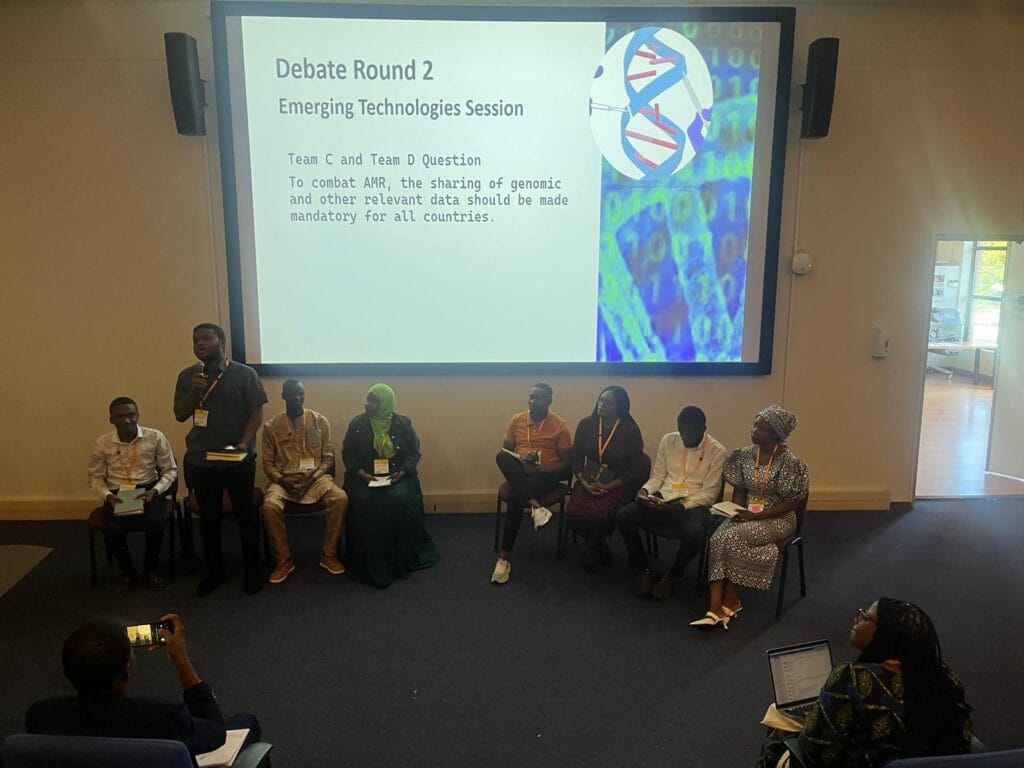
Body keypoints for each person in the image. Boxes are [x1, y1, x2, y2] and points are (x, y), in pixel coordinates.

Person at [757, 598, 972, 767]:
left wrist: (809, 722)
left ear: (884, 634)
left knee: (779, 729)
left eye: (865, 617)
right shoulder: (946, 680)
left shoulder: (853, 679)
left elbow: (815, 753)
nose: (857, 620)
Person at [26, 615, 261, 759]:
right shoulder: (163, 718)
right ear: (126, 671)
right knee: (246, 720)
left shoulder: (41, 716)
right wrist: (181, 659)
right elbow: (216, 733)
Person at [691, 404, 809, 629]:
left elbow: (790, 504)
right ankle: (717, 605)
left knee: (730, 538)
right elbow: (741, 489)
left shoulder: (789, 462)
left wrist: (755, 516)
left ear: (775, 434)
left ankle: (729, 598)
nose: (754, 431)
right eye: (754, 425)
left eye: (761, 429)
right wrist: (736, 511)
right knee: (717, 538)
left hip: (778, 518)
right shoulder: (744, 456)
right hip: (748, 515)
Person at [173, 322, 268, 596]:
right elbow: (180, 414)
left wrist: (243, 443)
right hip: (202, 459)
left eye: (206, 338)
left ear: (222, 342)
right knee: (209, 518)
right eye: (196, 340)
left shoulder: (245, 374)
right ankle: (215, 571)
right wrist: (194, 391)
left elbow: (256, 413)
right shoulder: (187, 376)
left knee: (245, 515)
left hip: (236, 458)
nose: (199, 344)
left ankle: (252, 570)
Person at [616, 405, 726, 599]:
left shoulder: (718, 451)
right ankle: (644, 569)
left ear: (703, 428)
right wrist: (644, 491)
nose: (685, 437)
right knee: (624, 515)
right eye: (682, 431)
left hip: (692, 505)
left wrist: (681, 506)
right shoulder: (669, 440)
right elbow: (658, 477)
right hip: (663, 498)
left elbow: (709, 494)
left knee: (696, 534)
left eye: (690, 433)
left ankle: (673, 574)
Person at [341, 383, 440, 588]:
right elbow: (348, 454)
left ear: (385, 403)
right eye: (367, 400)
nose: (368, 404)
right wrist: (363, 475)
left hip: (398, 475)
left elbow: (413, 453)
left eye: (374, 401)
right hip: (363, 476)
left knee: (396, 500)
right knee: (366, 501)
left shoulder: (403, 423)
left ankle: (400, 558)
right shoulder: (357, 423)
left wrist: (401, 472)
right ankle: (367, 560)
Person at [88, 396, 178, 597]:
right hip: (117, 493)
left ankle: (150, 569)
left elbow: (170, 470)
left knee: (155, 524)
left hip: (148, 488)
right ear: (111, 419)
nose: (127, 420)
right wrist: (107, 496)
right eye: (120, 417)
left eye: (131, 415)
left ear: (138, 415)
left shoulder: (155, 437)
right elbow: (95, 477)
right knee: (112, 530)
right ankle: (127, 573)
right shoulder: (103, 443)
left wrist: (156, 491)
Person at [261, 379, 349, 584]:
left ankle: (328, 555)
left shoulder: (320, 421)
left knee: (340, 498)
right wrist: (283, 481)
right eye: (292, 394)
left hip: (315, 478)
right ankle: (284, 560)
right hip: (285, 481)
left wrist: (313, 477)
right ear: (283, 396)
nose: (297, 398)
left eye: (300, 393)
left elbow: (327, 458)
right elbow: (268, 464)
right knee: (269, 506)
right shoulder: (271, 427)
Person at [491, 383, 573, 585]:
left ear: (549, 401)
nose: (533, 401)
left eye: (539, 398)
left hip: (545, 475)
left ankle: (504, 557)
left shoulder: (559, 426)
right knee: (501, 457)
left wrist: (544, 468)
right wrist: (520, 458)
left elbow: (567, 463)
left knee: (516, 497)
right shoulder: (517, 420)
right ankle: (536, 505)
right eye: (531, 397)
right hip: (521, 472)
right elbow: (506, 452)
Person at [565, 386, 645, 572]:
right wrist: (585, 484)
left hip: (618, 482)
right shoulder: (587, 424)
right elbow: (576, 459)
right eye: (600, 400)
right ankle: (598, 544)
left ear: (620, 406)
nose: (601, 405)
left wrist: (609, 486)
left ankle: (593, 546)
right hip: (589, 479)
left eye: (608, 402)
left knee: (602, 514)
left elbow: (635, 469)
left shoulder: (629, 429)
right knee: (575, 513)